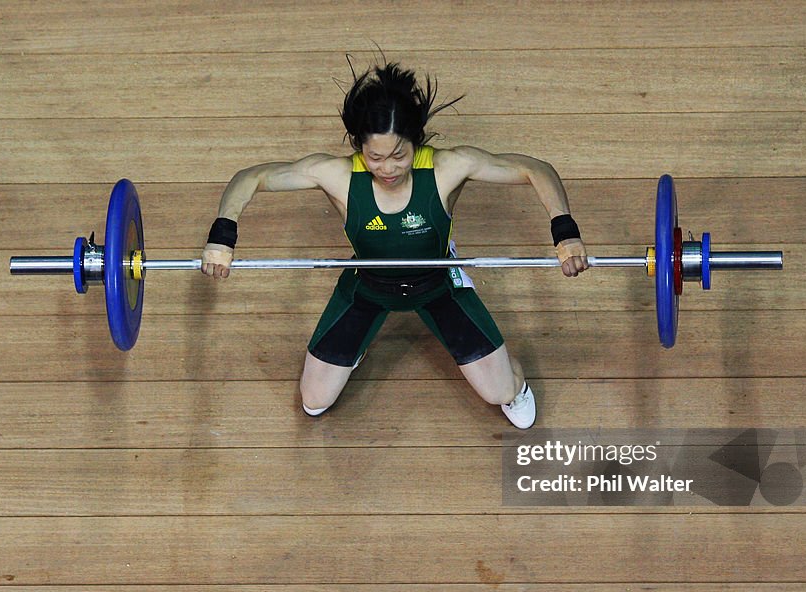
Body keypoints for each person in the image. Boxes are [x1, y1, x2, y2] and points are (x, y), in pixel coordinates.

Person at [201, 62, 588, 429]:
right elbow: (252, 177)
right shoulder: (335, 175)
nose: (387, 168)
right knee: (314, 401)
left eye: (399, 155)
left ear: (415, 142)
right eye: (375, 157)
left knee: (498, 392)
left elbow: (534, 170)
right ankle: (354, 351)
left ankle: (514, 382)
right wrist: (223, 234)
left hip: (437, 282)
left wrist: (565, 230)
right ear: (359, 148)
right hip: (369, 285)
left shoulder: (448, 167)